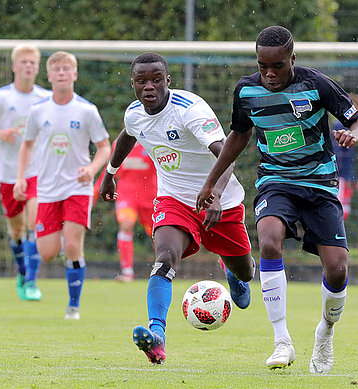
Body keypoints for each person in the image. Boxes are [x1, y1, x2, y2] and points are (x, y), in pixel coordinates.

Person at [196, 26, 358, 373]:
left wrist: (352, 135)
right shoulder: (246, 91)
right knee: (270, 242)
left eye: (277, 66)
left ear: (293, 59)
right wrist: (211, 183)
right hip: (276, 182)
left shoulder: (316, 84)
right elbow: (238, 136)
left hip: (320, 186)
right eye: (263, 66)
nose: (270, 74)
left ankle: (325, 332)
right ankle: (282, 341)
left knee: (337, 271)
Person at [99, 52, 255, 365]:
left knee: (246, 271)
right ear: (133, 84)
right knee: (164, 258)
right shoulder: (134, 114)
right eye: (141, 81)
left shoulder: (190, 110)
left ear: (168, 80)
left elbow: (226, 153)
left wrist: (217, 194)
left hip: (219, 199)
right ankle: (157, 336)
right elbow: (127, 137)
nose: (149, 87)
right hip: (173, 200)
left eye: (156, 79)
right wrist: (110, 174)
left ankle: (232, 269)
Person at [13, 51, 111, 320]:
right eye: (56, 69)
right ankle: (40, 273)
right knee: (47, 253)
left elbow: (104, 147)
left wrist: (91, 169)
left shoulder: (87, 111)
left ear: (75, 74)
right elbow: (27, 146)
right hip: (46, 190)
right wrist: (21, 177)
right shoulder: (38, 110)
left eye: (67, 68)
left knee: (72, 246)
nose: (62, 73)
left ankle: (73, 306)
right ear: (49, 75)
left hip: (77, 189)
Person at [0, 44, 51, 301]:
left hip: (36, 171)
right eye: (24, 62)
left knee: (34, 221)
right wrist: (1, 133)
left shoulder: (46, 98)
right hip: (7, 173)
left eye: (33, 62)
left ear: (38, 68)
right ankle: (21, 271)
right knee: (16, 231)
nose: (29, 66)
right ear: (14, 66)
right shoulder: (0, 97)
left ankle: (31, 281)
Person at [94, 140, 157, 282]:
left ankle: (164, 268)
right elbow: (111, 167)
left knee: (156, 234)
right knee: (126, 225)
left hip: (150, 195)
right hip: (127, 194)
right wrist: (96, 191)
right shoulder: (120, 142)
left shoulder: (151, 139)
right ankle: (127, 272)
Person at [331, 94, 358, 221]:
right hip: (339, 177)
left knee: (342, 211)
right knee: (340, 211)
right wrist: (349, 177)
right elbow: (340, 154)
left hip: (342, 176)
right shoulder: (341, 126)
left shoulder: (344, 126)